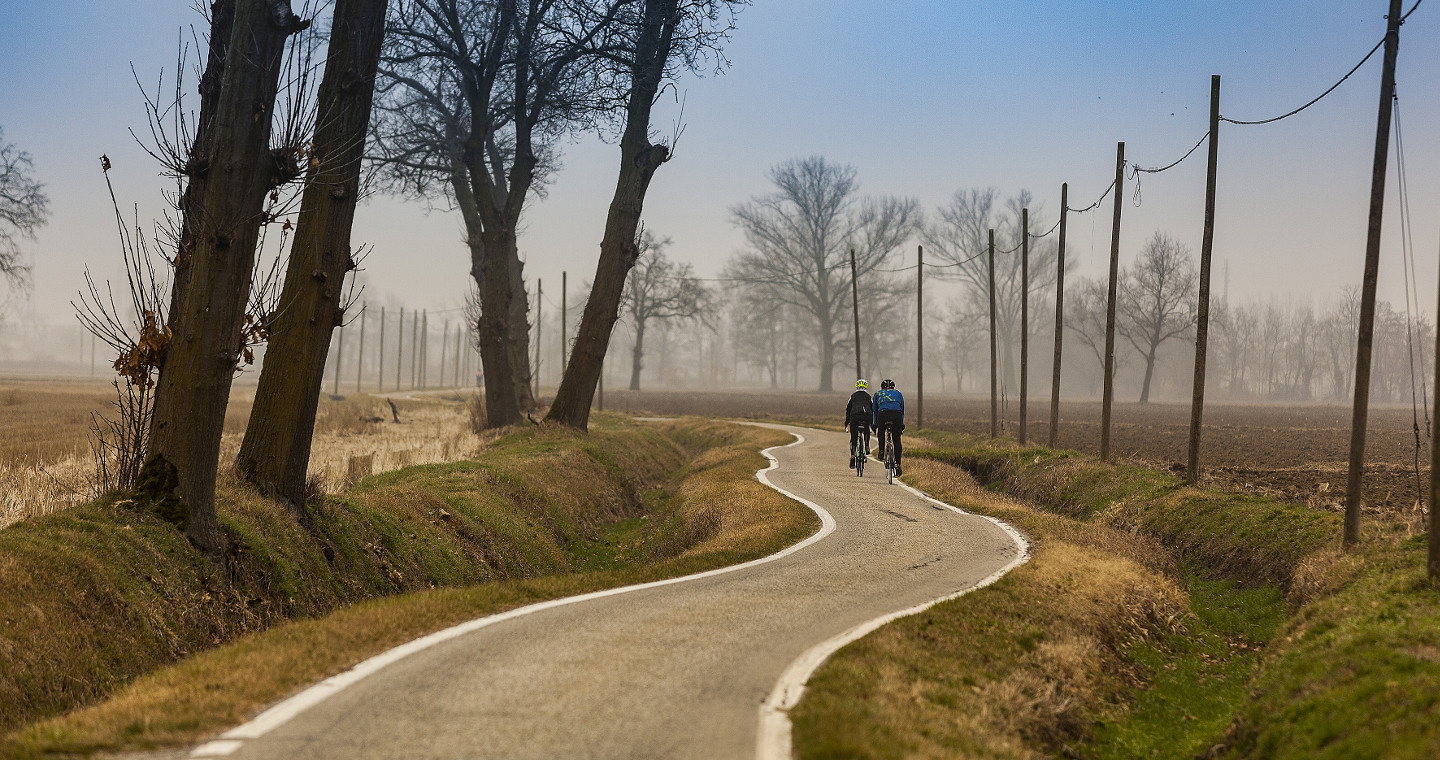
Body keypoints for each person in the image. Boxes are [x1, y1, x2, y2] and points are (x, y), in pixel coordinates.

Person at [872, 378, 905, 476]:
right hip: (896, 416)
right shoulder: (898, 393)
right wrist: (901, 424)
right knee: (897, 440)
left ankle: (881, 451)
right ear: (893, 387)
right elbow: (902, 410)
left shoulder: (878, 394)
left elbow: (875, 411)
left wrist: (875, 425)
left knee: (881, 431)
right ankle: (898, 464)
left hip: (883, 415)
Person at [844, 379, 873, 469]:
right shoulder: (868, 396)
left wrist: (847, 422)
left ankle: (853, 455)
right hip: (866, 416)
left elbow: (848, 409)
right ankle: (867, 445)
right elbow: (872, 409)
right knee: (866, 430)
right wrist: (872, 424)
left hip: (855, 417)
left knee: (853, 437)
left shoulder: (852, 396)